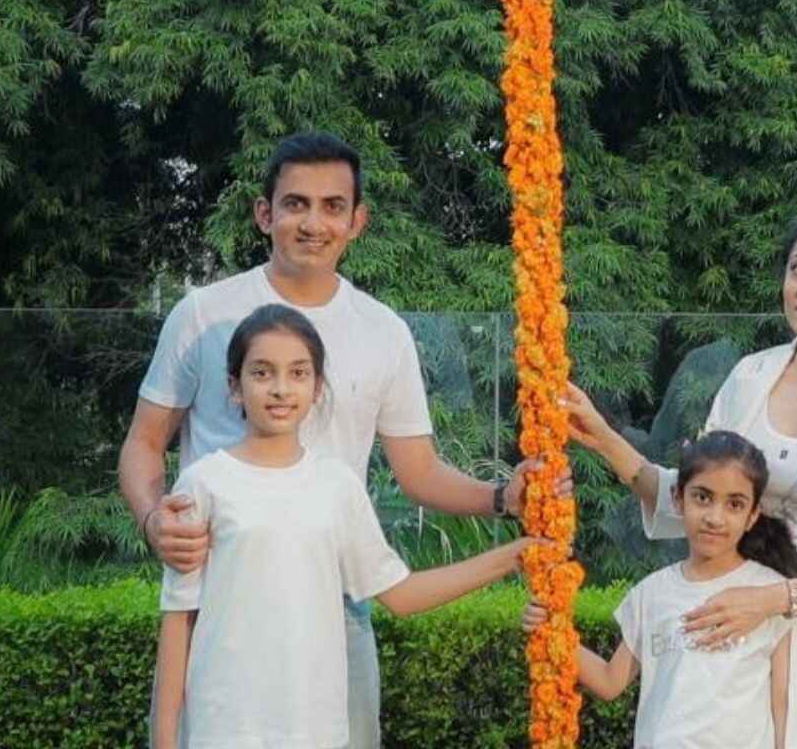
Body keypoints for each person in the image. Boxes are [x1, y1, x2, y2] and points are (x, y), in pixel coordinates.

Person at [120, 132, 548, 747]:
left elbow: (419, 471)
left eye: (332, 206)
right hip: (223, 597)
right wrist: (154, 520)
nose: (313, 223)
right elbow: (143, 443)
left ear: (357, 220)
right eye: (295, 204)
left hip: (335, 599)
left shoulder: (382, 332)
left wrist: (506, 498)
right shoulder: (203, 314)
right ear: (264, 213)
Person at [563, 201, 797, 749]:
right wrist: (604, 438)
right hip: (731, 650)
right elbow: (705, 496)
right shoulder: (749, 378)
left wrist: (779, 598)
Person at [154, 303, 532, 749]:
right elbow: (178, 620)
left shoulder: (337, 486)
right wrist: (164, 740)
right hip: (222, 727)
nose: (280, 389)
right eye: (261, 373)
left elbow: (401, 595)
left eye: (298, 373)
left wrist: (516, 555)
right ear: (235, 387)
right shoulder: (203, 482)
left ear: (317, 388)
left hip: (316, 728)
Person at [521, 430, 797, 749]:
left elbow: (783, 707)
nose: (714, 517)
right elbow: (610, 681)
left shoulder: (768, 594)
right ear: (679, 500)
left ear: (752, 516)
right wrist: (550, 631)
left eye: (734, 505)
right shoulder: (651, 594)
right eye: (702, 497)